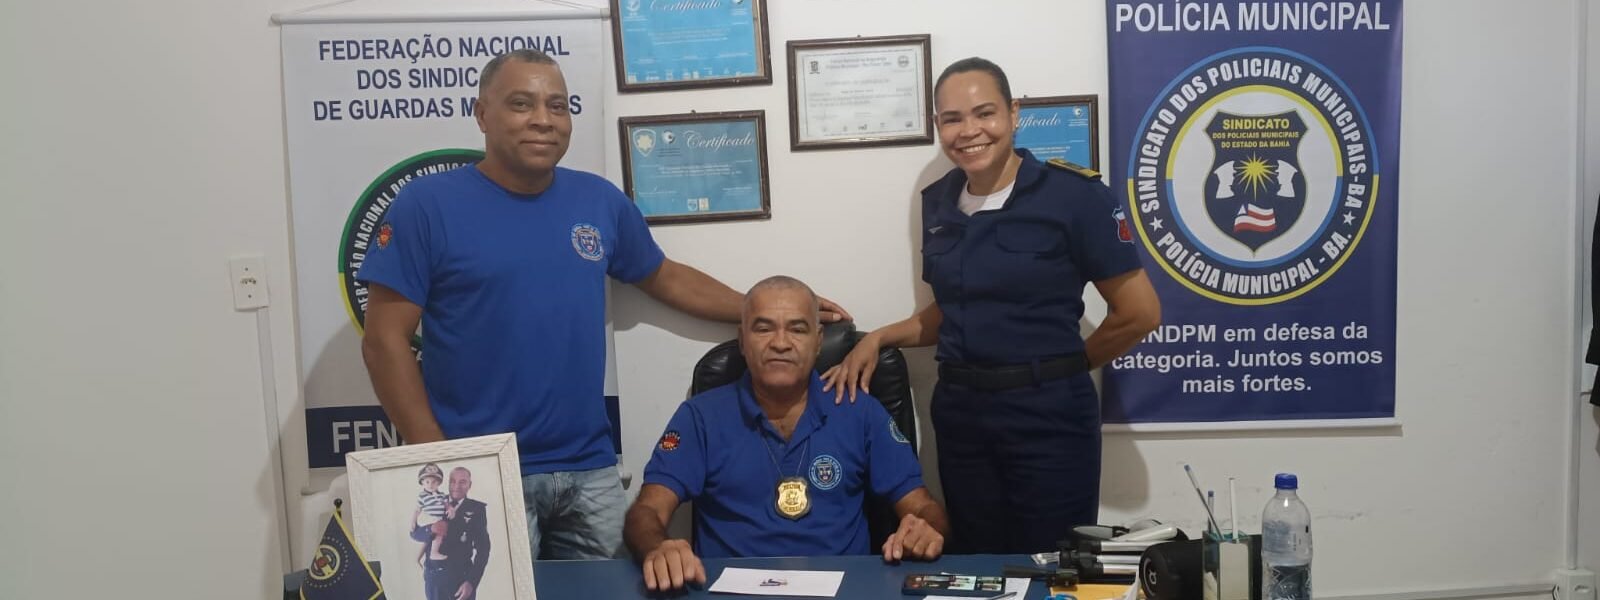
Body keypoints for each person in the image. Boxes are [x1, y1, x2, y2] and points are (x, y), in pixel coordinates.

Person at [356, 49, 850, 560]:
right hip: (484, 469)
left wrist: (765, 312)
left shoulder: (598, 201)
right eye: (521, 104)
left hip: (590, 469)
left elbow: (663, 276)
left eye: (557, 106)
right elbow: (383, 342)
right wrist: (440, 458)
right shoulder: (426, 205)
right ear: (482, 114)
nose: (543, 120)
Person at [822, 57, 1162, 554]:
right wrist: (879, 337)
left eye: (985, 113)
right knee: (975, 563)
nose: (969, 131)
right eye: (952, 119)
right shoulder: (937, 201)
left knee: (1051, 561)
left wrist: (1063, 367)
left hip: (1048, 416)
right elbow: (951, 310)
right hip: (962, 416)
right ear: (937, 125)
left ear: (1013, 113)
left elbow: (1140, 313)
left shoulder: (1074, 196)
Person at [624, 276, 948, 593]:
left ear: (818, 341)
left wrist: (925, 529)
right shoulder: (700, 416)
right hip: (730, 592)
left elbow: (923, 508)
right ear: (742, 340)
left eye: (797, 329)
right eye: (764, 329)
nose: (780, 343)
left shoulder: (861, 412)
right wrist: (658, 547)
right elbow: (647, 510)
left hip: (843, 590)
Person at [409, 467, 490, 600]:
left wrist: (471, 582)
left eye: (462, 482)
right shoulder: (435, 501)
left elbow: (483, 550)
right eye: (453, 481)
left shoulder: (477, 509)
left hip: (461, 580)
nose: (456, 486)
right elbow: (414, 533)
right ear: (448, 483)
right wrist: (430, 528)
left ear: (470, 485)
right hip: (435, 580)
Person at [413, 463, 451, 564]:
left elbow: (447, 504)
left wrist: (449, 509)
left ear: (438, 483)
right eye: (427, 482)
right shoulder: (423, 496)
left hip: (436, 520)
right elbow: (417, 510)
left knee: (432, 537)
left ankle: (418, 558)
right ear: (422, 483)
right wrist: (413, 522)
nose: (430, 485)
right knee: (441, 527)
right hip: (427, 518)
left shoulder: (442, 495)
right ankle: (434, 552)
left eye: (434, 482)